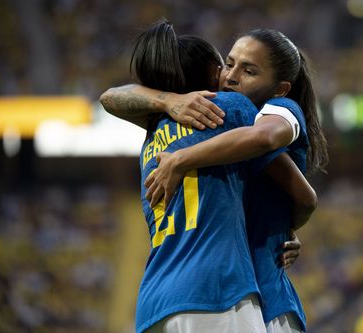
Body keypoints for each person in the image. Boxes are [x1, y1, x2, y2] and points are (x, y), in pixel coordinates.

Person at [101, 27, 328, 332]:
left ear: (281, 89)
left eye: (248, 70)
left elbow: (111, 97)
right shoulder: (227, 113)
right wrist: (169, 101)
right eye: (229, 64)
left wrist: (283, 227)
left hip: (165, 299)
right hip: (228, 294)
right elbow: (305, 199)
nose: (231, 77)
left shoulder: (161, 134)